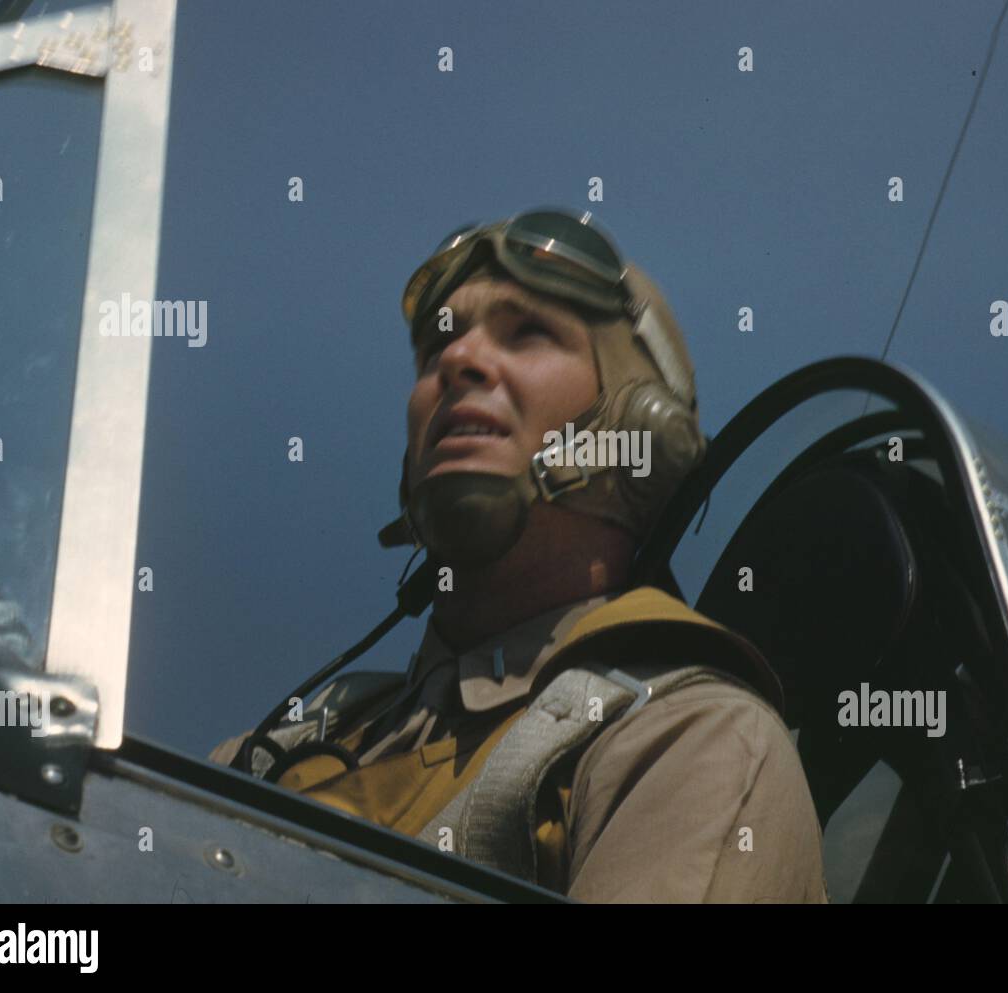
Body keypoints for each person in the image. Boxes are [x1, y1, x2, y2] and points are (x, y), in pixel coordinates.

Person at [210, 209, 829, 903]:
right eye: (436, 346)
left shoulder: (690, 739)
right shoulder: (283, 743)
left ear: (640, 425)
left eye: (527, 332)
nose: (456, 360)